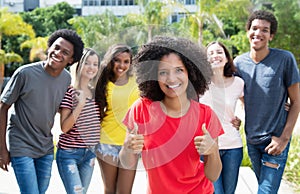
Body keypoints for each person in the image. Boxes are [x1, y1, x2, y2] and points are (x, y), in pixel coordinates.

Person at [119, 36, 224, 194]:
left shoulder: (205, 115)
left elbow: (213, 175)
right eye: (163, 72)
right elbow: (127, 163)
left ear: (190, 72)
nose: (171, 78)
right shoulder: (141, 109)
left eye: (179, 70)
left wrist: (213, 150)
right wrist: (127, 148)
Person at [0, 29, 84, 194]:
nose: (58, 53)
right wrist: (2, 148)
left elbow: (55, 106)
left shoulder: (66, 79)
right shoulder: (24, 73)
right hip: (21, 144)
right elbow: (3, 108)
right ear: (49, 46)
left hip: (45, 147)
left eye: (65, 52)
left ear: (71, 60)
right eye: (56, 47)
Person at [234, 10, 300, 193]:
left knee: (266, 191)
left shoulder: (285, 59)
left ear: (271, 35)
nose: (258, 33)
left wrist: (283, 139)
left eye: (265, 30)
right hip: (252, 140)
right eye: (254, 28)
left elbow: (296, 101)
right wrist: (234, 115)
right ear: (248, 31)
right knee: (264, 187)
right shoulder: (239, 63)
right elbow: (229, 92)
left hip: (275, 141)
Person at [95, 44, 139, 194]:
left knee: (125, 191)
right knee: (110, 190)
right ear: (111, 61)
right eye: (117, 60)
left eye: (126, 61)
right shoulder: (103, 82)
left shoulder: (137, 82)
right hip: (107, 142)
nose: (122, 65)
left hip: (130, 143)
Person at [200, 41, 244, 194]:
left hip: (233, 146)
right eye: (210, 53)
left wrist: (239, 118)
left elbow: (249, 105)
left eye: (219, 52)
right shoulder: (199, 84)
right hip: (207, 147)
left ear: (226, 58)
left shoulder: (238, 83)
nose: (215, 56)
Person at [56, 48, 101, 194]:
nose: (91, 67)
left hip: (90, 154)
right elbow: (64, 127)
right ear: (79, 64)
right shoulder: (69, 92)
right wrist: (80, 104)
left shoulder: (95, 93)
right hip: (69, 153)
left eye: (95, 64)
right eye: (87, 63)